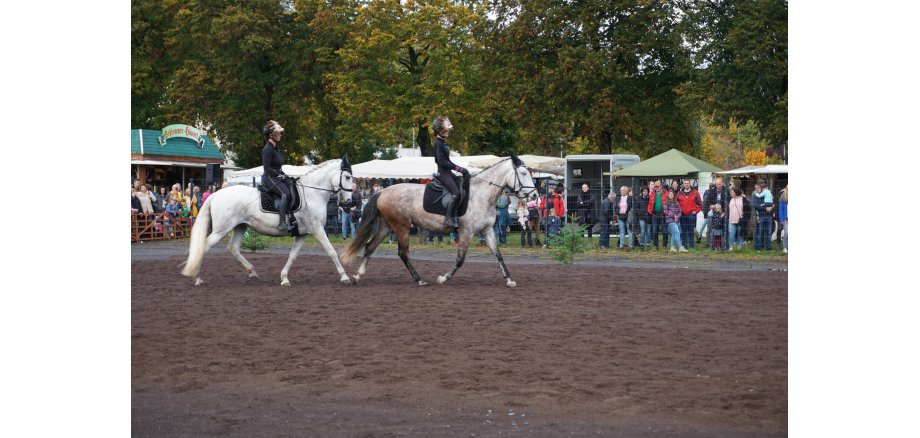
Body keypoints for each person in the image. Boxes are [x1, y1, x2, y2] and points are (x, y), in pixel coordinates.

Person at [432, 115, 469, 228]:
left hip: (449, 173)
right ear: (440, 130)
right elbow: (441, 161)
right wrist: (459, 169)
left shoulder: (444, 143)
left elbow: (447, 160)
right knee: (456, 193)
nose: (448, 132)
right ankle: (448, 219)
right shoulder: (438, 143)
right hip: (444, 174)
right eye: (446, 130)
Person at [261, 120, 293, 231]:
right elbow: (267, 168)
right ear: (271, 135)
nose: (280, 135)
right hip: (269, 177)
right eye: (278, 133)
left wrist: (285, 175)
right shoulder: (267, 149)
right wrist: (278, 175)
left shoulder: (275, 148)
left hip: (275, 176)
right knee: (285, 194)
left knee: (292, 187)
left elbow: (278, 167)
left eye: (280, 133)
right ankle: (282, 222)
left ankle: (292, 217)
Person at [704, 177, 730, 252]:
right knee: (712, 229)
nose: (718, 185)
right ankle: (713, 246)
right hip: (713, 213)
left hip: (723, 213)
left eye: (719, 184)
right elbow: (707, 202)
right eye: (717, 184)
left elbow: (728, 202)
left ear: (722, 184)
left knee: (723, 230)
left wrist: (724, 212)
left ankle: (724, 246)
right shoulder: (712, 191)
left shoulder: (726, 191)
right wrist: (711, 206)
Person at [676, 179, 702, 250]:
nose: (686, 184)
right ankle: (684, 245)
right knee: (683, 231)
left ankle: (691, 245)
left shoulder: (695, 192)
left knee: (691, 231)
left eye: (688, 183)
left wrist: (696, 211)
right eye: (685, 183)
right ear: (683, 184)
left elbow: (700, 204)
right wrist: (678, 212)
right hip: (682, 215)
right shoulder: (679, 193)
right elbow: (676, 204)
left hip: (691, 215)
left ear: (690, 184)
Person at [752, 181, 774, 250]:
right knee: (760, 232)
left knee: (768, 232)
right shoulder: (755, 195)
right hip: (761, 216)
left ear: (761, 188)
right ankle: (758, 247)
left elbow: (772, 204)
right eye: (756, 188)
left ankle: (768, 247)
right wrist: (765, 208)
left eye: (758, 187)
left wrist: (772, 207)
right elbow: (756, 206)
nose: (757, 189)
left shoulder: (766, 193)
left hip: (769, 216)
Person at [647, 180, 668, 250]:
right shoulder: (652, 194)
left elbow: (669, 202)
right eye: (655, 186)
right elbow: (650, 204)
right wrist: (650, 212)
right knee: (654, 230)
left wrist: (667, 212)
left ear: (661, 186)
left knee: (664, 231)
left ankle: (664, 245)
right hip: (654, 214)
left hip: (663, 214)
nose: (656, 188)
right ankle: (655, 245)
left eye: (658, 186)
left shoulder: (666, 193)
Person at [779, 186, 788, 254]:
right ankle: (785, 247)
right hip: (786, 219)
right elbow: (781, 210)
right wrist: (781, 219)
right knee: (786, 233)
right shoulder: (783, 198)